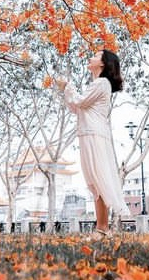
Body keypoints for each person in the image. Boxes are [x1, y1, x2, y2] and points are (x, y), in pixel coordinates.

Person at [55, 49, 129, 238]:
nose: (91, 57)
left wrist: (68, 86)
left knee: (98, 179)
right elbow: (75, 107)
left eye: (96, 55)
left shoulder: (102, 83)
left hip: (95, 135)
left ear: (103, 63)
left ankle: (102, 228)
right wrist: (65, 90)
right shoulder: (97, 84)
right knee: (94, 182)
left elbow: (80, 101)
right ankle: (102, 228)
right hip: (88, 134)